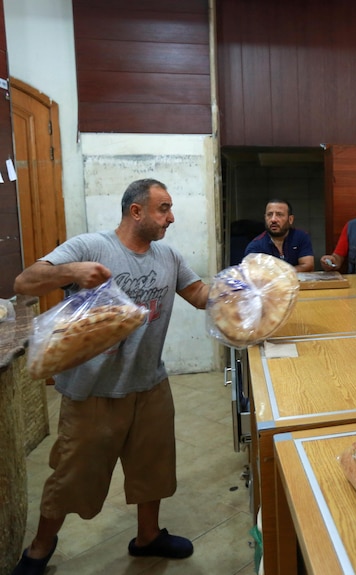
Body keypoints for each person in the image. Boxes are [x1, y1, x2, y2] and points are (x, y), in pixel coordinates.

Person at [11, 179, 211, 575]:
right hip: (92, 393)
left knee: (153, 468)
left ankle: (148, 536)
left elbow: (201, 294)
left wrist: (249, 291)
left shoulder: (169, 256)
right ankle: (38, 550)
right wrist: (70, 271)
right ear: (136, 212)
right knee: (72, 476)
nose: (171, 218)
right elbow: (23, 282)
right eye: (163, 209)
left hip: (150, 385)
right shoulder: (90, 247)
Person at [244, 199, 314, 272]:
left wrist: (279, 273)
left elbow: (308, 266)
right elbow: (254, 275)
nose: (273, 220)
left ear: (290, 219)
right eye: (269, 215)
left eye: (279, 215)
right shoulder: (255, 246)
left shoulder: (301, 237)